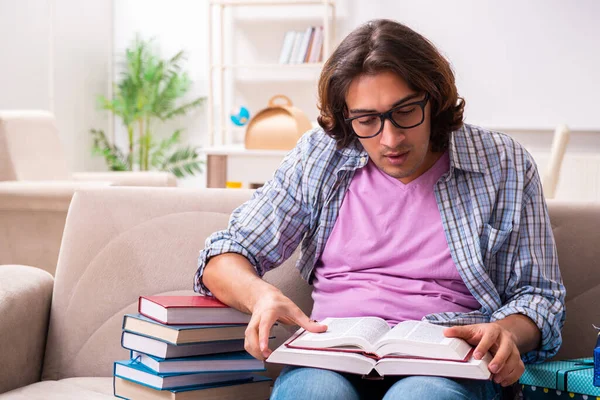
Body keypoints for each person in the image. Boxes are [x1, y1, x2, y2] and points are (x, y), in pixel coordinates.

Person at [194, 19, 565, 400]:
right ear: (346, 117)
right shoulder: (321, 156)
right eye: (367, 120)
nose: (391, 140)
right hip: (332, 357)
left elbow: (539, 295)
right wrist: (260, 296)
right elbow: (224, 253)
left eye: (405, 112)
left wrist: (507, 330)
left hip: (445, 365)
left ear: (434, 99)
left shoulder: (503, 163)